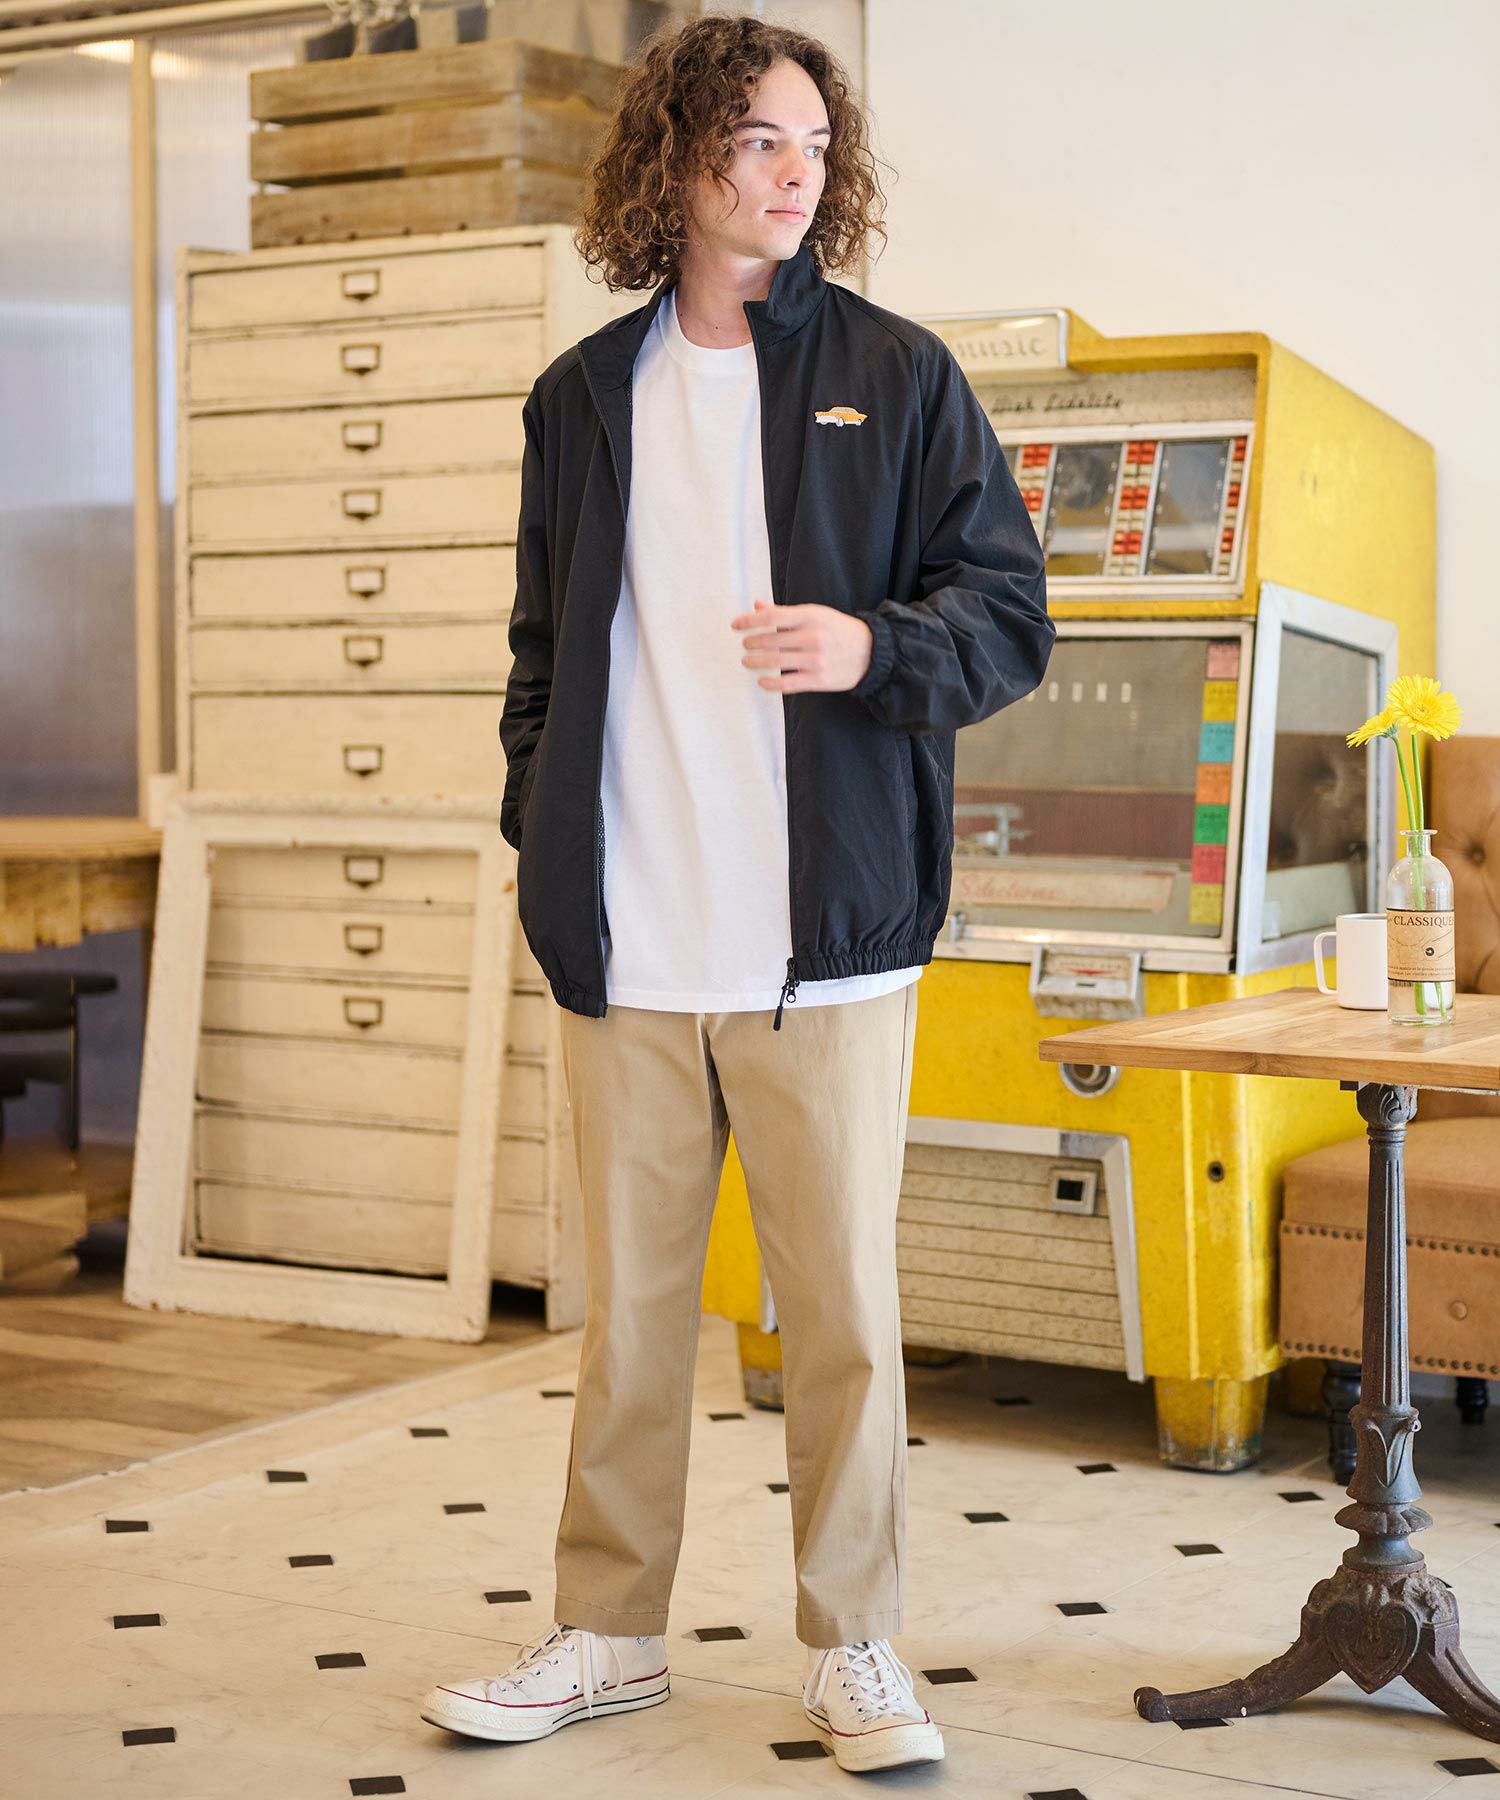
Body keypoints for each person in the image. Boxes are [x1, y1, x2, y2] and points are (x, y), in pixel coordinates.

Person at [419, 11, 1051, 1777]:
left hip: (822, 951)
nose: (797, 172)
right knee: (628, 1326)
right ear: (680, 154)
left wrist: (873, 646)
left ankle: (855, 1647)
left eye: (815, 146)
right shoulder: (582, 397)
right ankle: (608, 1635)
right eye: (763, 139)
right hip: (630, 939)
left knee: (838, 1322)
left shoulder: (896, 375)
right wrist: (543, 831)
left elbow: (1011, 617)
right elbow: (542, 658)